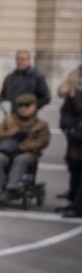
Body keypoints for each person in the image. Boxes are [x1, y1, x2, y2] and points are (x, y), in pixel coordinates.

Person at [0, 93, 50, 204]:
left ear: (34, 106)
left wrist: (23, 147)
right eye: (20, 105)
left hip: (27, 153)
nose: (23, 108)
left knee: (21, 159)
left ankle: (12, 189)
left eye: (27, 105)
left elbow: (42, 142)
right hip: (8, 151)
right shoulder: (9, 120)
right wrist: (11, 132)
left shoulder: (41, 124)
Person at [58, 58, 82, 213]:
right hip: (74, 135)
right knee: (74, 168)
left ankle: (77, 206)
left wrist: (74, 97)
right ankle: (72, 200)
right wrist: (65, 126)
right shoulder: (74, 75)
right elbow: (65, 107)